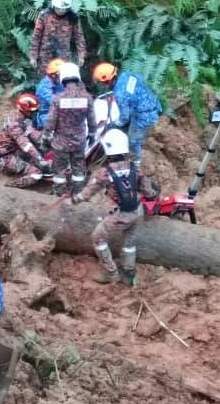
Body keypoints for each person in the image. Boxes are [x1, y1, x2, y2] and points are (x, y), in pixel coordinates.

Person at [71, 129, 159, 286]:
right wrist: (153, 195)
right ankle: (128, 272)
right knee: (130, 242)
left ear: (108, 149)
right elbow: (148, 191)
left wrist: (75, 199)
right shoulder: (135, 168)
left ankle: (110, 273)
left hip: (120, 215)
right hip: (137, 210)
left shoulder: (106, 172)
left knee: (98, 238)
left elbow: (89, 191)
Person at [92, 62, 162, 168]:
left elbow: (124, 117)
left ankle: (136, 164)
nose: (103, 85)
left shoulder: (119, 93)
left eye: (103, 83)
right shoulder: (127, 74)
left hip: (143, 116)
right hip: (154, 104)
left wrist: (113, 124)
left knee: (133, 140)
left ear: (108, 81)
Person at [43, 62, 95, 196]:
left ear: (63, 78)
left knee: (59, 171)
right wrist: (92, 135)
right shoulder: (87, 98)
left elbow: (50, 122)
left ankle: (59, 194)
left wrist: (45, 137)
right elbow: (92, 121)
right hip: (79, 142)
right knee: (78, 169)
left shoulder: (58, 99)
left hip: (61, 143)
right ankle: (78, 194)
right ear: (77, 77)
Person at [0, 93, 51, 188]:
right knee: (36, 174)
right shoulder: (13, 123)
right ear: (25, 110)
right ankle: (10, 187)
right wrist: (40, 159)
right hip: (5, 157)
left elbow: (34, 135)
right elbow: (25, 143)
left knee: (42, 152)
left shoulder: (24, 119)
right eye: (33, 111)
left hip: (16, 152)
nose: (35, 113)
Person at [29, 0, 87, 76]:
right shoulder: (44, 15)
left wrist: (81, 55)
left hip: (64, 56)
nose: (61, 10)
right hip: (46, 56)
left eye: (64, 9)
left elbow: (79, 37)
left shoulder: (73, 17)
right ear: (53, 5)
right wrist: (33, 56)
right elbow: (36, 36)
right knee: (45, 79)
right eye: (59, 8)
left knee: (64, 78)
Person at [33, 58, 65, 129]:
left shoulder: (60, 83)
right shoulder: (43, 87)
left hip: (60, 113)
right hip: (46, 116)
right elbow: (57, 102)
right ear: (53, 75)